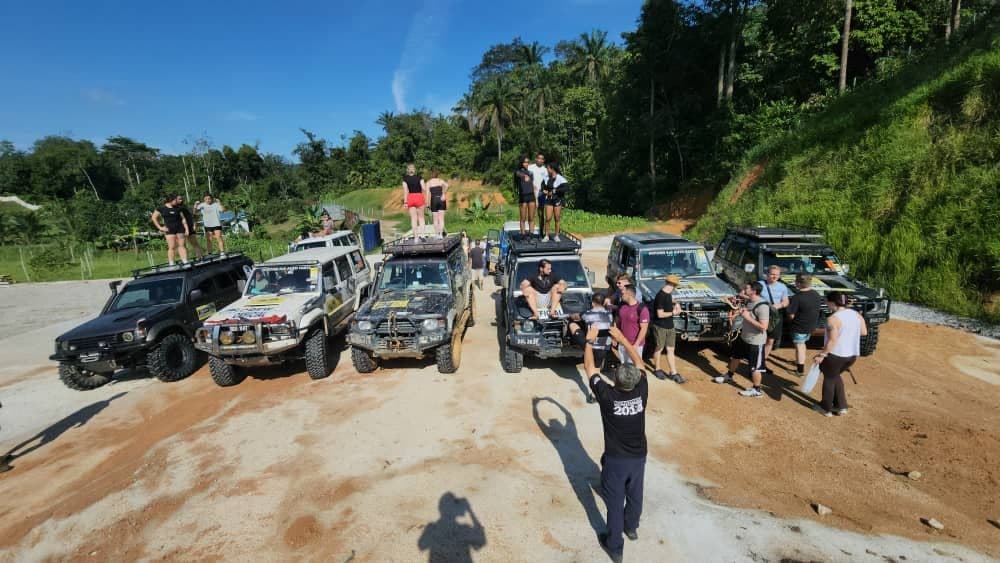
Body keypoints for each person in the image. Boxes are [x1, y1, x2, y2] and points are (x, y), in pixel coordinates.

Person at [584, 324, 648, 563]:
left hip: (616, 459)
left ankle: (615, 546)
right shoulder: (641, 389)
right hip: (639, 455)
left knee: (614, 500)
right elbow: (640, 365)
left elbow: (590, 368)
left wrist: (589, 341)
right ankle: (631, 528)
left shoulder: (607, 396)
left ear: (615, 380)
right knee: (635, 493)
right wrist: (622, 339)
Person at [813, 292, 866, 417]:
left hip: (835, 355)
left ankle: (826, 408)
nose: (826, 303)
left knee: (829, 379)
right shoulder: (856, 314)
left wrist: (822, 355)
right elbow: (863, 332)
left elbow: (832, 340)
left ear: (832, 302)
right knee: (835, 376)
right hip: (852, 355)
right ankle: (841, 406)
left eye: (826, 301)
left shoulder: (832, 319)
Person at [714, 282, 769, 398]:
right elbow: (742, 301)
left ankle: (757, 390)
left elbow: (764, 327)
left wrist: (747, 317)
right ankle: (728, 376)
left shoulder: (763, 307)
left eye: (747, 288)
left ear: (754, 291)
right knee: (735, 357)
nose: (744, 289)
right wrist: (736, 307)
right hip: (744, 337)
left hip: (756, 342)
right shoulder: (750, 300)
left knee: (755, 367)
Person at [568, 292, 613, 380]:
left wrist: (568, 315)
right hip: (604, 347)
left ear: (592, 303)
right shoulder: (610, 314)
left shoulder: (587, 314)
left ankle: (574, 343)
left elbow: (575, 317)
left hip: (591, 345)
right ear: (603, 303)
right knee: (596, 369)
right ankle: (597, 385)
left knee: (572, 324)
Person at [786, 274, 822, 374]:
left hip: (799, 326)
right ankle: (799, 361)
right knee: (803, 344)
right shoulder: (816, 294)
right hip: (811, 325)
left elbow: (791, 315)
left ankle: (800, 369)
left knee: (799, 346)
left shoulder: (797, 297)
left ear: (798, 283)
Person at [651, 275, 685, 383]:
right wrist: (673, 313)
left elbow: (671, 299)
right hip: (660, 326)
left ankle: (673, 372)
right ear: (674, 285)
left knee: (671, 349)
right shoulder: (661, 296)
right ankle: (657, 369)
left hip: (670, 326)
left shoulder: (668, 293)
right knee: (659, 348)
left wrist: (677, 303)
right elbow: (660, 314)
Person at [760, 265, 790, 373]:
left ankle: (762, 362)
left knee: (770, 340)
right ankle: (756, 363)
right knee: (760, 339)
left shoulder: (782, 287)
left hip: (776, 315)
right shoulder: (760, 284)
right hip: (762, 314)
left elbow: (786, 301)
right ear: (767, 274)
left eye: (776, 275)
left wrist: (780, 305)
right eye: (772, 274)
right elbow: (748, 295)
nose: (774, 277)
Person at [615, 285, 649, 366]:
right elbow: (617, 322)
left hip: (635, 345)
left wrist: (636, 345)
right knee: (624, 367)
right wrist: (615, 337)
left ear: (629, 294)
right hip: (622, 344)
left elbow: (643, 329)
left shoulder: (642, 309)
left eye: (622, 293)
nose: (620, 295)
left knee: (634, 368)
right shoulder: (621, 307)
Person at [151, 194, 189, 266]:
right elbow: (153, 218)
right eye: (175, 200)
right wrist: (160, 227)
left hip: (180, 229)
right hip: (169, 229)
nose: (177, 201)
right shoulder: (161, 208)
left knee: (182, 245)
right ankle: (171, 263)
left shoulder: (178, 208)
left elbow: (183, 218)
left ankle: (185, 261)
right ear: (170, 200)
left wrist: (186, 229)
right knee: (172, 247)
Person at [541, 162, 570, 241]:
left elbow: (566, 188)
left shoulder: (560, 178)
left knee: (557, 218)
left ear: (552, 169)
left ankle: (556, 236)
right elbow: (543, 187)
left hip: (557, 200)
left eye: (548, 168)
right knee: (548, 218)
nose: (547, 169)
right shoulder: (546, 177)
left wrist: (555, 191)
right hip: (549, 200)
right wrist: (544, 191)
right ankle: (546, 236)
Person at [175, 195, 205, 259]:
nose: (181, 200)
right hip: (179, 228)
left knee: (194, 243)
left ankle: (200, 257)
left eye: (181, 199)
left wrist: (194, 224)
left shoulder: (184, 207)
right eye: (179, 199)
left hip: (189, 226)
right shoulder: (173, 208)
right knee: (181, 245)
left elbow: (192, 216)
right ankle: (185, 260)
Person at [514, 156, 536, 237]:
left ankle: (531, 235)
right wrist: (524, 176)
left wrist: (534, 188)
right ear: (521, 163)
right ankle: (523, 235)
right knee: (523, 218)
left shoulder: (531, 173)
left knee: (531, 218)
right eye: (525, 162)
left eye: (527, 162)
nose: (526, 164)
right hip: (523, 196)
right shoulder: (518, 172)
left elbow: (531, 184)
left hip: (531, 196)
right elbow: (518, 174)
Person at [402, 164, 426, 235]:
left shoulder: (405, 179)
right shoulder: (419, 177)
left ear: (408, 170)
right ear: (414, 170)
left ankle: (416, 237)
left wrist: (405, 202)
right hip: (419, 196)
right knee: (421, 217)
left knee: (413, 219)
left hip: (410, 197)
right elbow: (424, 188)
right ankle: (423, 235)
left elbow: (406, 191)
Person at [527, 152, 547, 231]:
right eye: (539, 158)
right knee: (531, 214)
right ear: (536, 159)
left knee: (541, 214)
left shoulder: (545, 170)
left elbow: (547, 182)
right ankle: (531, 232)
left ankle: (541, 232)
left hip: (541, 194)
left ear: (543, 160)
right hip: (531, 194)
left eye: (542, 159)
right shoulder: (530, 167)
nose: (540, 160)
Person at [426, 169, 449, 236]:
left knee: (435, 219)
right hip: (441, 199)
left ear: (431, 175)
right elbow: (447, 185)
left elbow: (427, 194)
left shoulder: (428, 182)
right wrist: (444, 193)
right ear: (437, 175)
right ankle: (441, 234)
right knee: (441, 219)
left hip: (434, 200)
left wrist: (427, 203)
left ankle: (437, 234)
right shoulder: (440, 180)